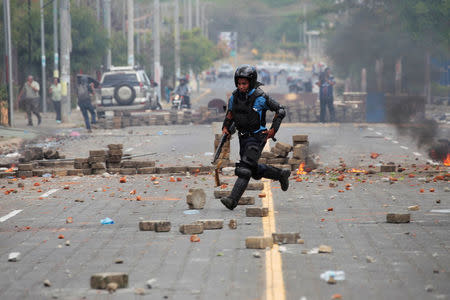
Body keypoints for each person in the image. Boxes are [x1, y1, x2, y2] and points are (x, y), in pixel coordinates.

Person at [220, 64, 290, 210]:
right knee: (254, 170)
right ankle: (281, 174)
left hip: (258, 137)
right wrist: (226, 127)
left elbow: (280, 110)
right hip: (242, 137)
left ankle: (232, 200)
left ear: (251, 82)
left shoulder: (261, 97)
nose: (241, 86)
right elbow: (231, 114)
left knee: (244, 168)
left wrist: (273, 130)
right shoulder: (234, 97)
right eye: (239, 83)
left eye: (244, 83)